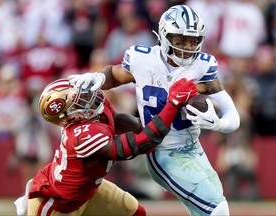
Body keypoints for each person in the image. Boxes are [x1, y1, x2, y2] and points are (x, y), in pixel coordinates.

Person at [68, 4, 240, 216]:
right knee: (217, 209)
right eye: (180, 40)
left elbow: (232, 113)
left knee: (210, 210)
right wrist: (100, 77)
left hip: (194, 149)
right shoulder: (143, 59)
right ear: (164, 36)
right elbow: (115, 75)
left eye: (192, 40)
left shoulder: (203, 66)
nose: (187, 47)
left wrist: (219, 123)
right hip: (163, 152)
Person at [14, 77, 197, 216]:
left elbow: (118, 120)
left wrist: (150, 126)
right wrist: (172, 104)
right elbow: (139, 145)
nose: (89, 97)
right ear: (69, 116)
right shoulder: (82, 135)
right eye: (80, 99)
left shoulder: (94, 110)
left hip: (89, 191)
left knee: (135, 212)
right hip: (58, 203)